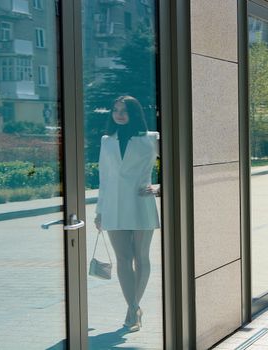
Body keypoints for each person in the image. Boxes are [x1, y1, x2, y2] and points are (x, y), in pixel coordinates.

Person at [94, 95, 160, 332]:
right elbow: (104, 178)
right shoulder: (106, 140)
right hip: (113, 206)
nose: (119, 114)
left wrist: (159, 187)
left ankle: (133, 309)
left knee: (141, 257)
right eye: (115, 110)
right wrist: (99, 211)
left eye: (124, 110)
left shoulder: (152, 138)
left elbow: (180, 165)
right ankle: (134, 308)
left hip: (141, 203)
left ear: (134, 113)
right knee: (123, 259)